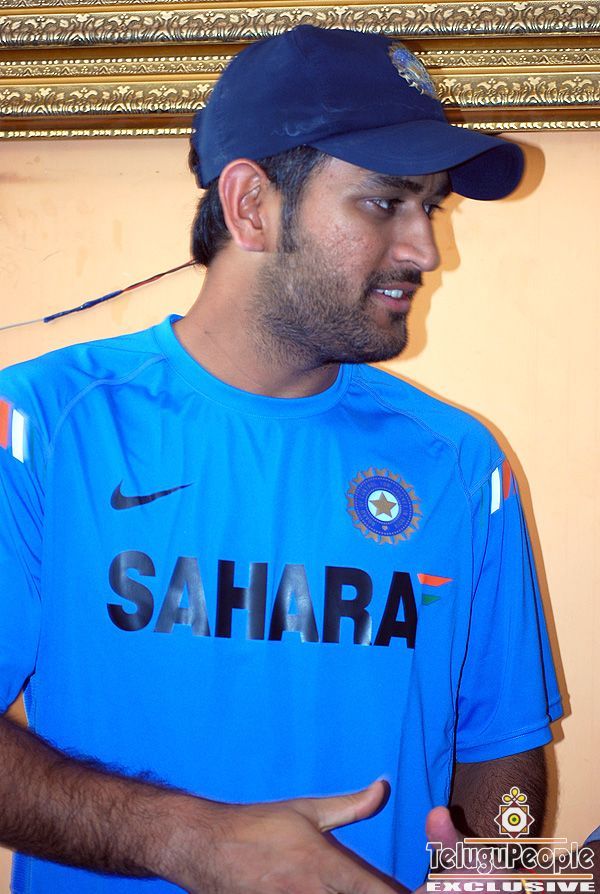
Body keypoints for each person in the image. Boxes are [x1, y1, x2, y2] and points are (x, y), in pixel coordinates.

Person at [0, 24, 562, 894]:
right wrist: (194, 843)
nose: (426, 250)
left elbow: (503, 746)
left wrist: (504, 865)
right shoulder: (43, 426)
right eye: (385, 202)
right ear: (251, 206)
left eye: (433, 207)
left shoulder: (461, 462)